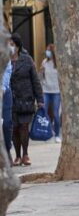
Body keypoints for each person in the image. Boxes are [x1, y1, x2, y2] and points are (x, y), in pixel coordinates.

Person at [9, 33, 44, 166]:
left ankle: (25, 154)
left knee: (24, 127)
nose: (9, 47)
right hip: (10, 100)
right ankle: (17, 155)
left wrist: (40, 99)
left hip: (26, 99)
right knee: (14, 128)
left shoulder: (27, 60)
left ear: (17, 46)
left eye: (12, 45)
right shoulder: (4, 61)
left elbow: (35, 81)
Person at [40, 44, 62, 142]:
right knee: (44, 112)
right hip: (46, 90)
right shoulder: (44, 62)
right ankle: (48, 132)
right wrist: (40, 71)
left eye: (48, 50)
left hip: (56, 91)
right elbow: (41, 76)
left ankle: (57, 134)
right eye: (46, 50)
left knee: (56, 114)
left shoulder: (58, 64)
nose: (47, 52)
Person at [1, 59, 12, 159]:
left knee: (6, 123)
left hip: (4, 93)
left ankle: (7, 151)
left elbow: (7, 70)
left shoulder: (3, 51)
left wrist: (3, 88)